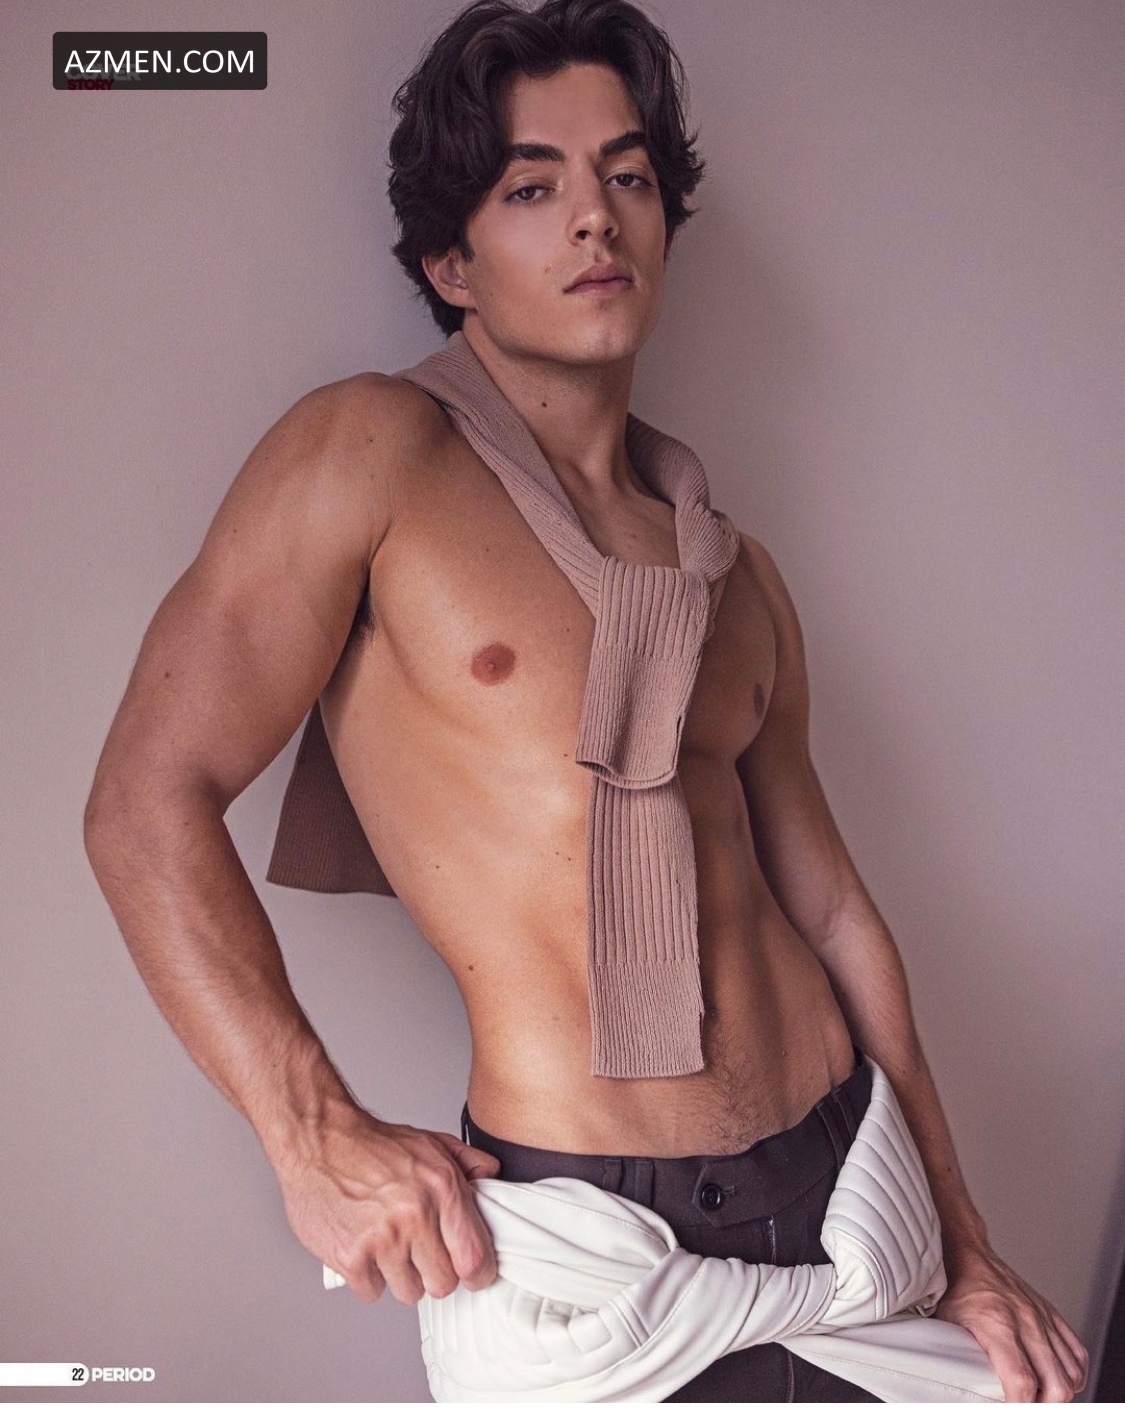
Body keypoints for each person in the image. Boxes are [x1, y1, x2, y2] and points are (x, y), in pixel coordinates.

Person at [83, 0, 1088, 1401]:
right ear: (450, 261)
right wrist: (309, 1132)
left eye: (626, 177)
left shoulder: (736, 571)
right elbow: (143, 801)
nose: (595, 218)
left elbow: (835, 916)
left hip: (856, 1202)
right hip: (589, 1255)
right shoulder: (370, 452)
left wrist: (967, 1243)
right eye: (531, 187)